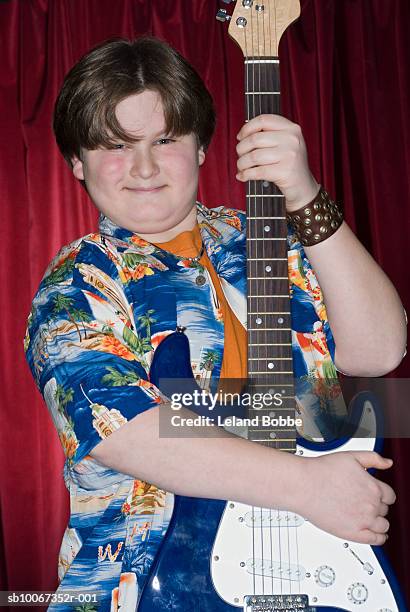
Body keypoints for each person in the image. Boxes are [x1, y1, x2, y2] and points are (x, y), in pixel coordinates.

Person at [24, 36, 407, 610]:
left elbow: (378, 353)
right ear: (77, 162)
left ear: (202, 146)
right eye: (115, 146)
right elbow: (122, 430)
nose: (145, 167)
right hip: (148, 588)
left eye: (166, 139)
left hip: (317, 572)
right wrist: (309, 486)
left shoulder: (266, 238)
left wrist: (302, 196)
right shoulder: (76, 282)